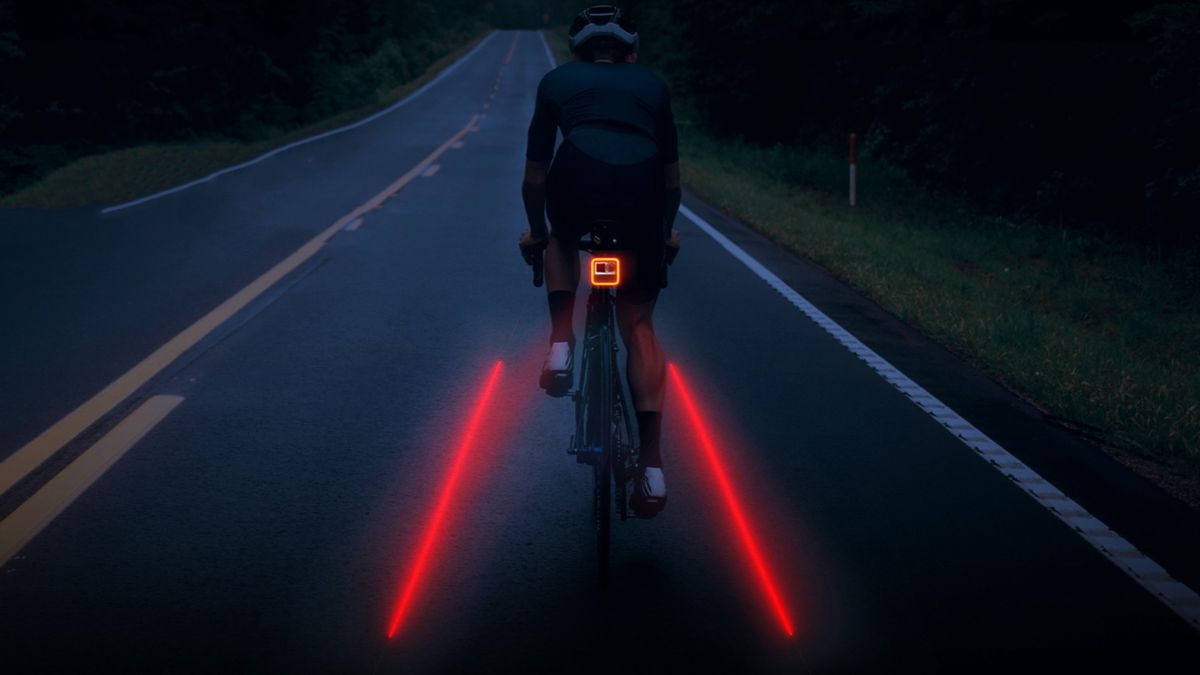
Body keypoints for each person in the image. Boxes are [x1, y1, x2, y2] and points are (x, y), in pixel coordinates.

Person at [519, 5, 681, 518]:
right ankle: (652, 469)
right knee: (638, 324)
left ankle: (562, 345)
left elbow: (535, 178)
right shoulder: (654, 86)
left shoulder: (555, 82)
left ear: (577, 49)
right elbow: (673, 182)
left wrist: (539, 233)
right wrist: (663, 233)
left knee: (565, 239)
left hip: (577, 179)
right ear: (630, 50)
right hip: (643, 192)